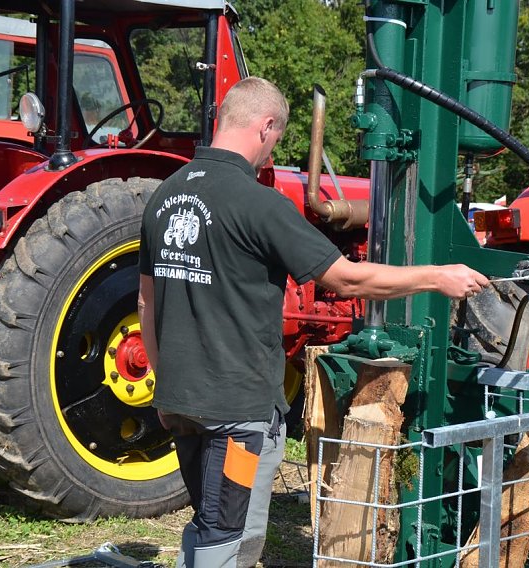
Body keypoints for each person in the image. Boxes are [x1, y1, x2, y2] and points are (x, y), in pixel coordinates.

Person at [138, 76, 488, 568]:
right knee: (223, 535)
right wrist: (436, 276)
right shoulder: (260, 204)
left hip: (179, 403)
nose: (270, 152)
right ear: (266, 127)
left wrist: (165, 381)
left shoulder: (165, 195)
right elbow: (346, 279)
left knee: (215, 520)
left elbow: (146, 302)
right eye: (275, 139)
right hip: (236, 414)